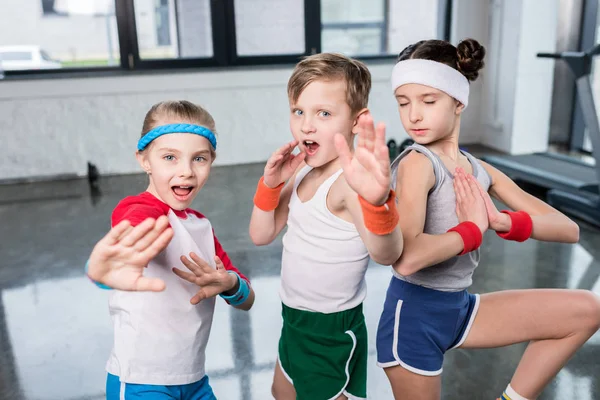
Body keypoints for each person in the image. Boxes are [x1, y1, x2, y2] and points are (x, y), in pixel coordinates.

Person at [376, 38, 600, 400]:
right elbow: (408, 259)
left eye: (428, 101)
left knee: (586, 310)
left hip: (460, 309)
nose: (413, 115)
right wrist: (471, 231)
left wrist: (503, 222)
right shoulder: (418, 164)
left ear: (458, 101)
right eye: (404, 103)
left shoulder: (479, 170)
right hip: (414, 319)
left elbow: (568, 229)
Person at [249, 53, 404, 400]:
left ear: (355, 121)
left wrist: (376, 204)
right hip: (293, 320)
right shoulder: (301, 168)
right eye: (298, 111)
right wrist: (270, 185)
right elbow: (260, 235)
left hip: (330, 330)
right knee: (281, 392)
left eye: (324, 113)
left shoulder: (350, 186)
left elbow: (387, 253)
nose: (307, 125)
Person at [86, 100, 255, 399]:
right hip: (142, 380)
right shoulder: (139, 210)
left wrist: (229, 283)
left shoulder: (201, 226)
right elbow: (130, 242)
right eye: (170, 157)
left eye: (199, 159)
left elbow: (246, 299)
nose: (186, 171)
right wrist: (108, 270)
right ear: (144, 160)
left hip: (193, 379)